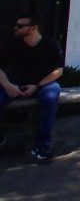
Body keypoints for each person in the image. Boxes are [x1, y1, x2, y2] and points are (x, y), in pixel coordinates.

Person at [0, 14, 64, 161]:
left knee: (50, 97)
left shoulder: (50, 45)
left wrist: (37, 85)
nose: (15, 28)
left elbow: (58, 70)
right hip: (14, 85)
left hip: (42, 84)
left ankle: (42, 145)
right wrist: (8, 85)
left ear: (33, 28)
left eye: (20, 26)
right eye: (16, 25)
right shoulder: (13, 45)